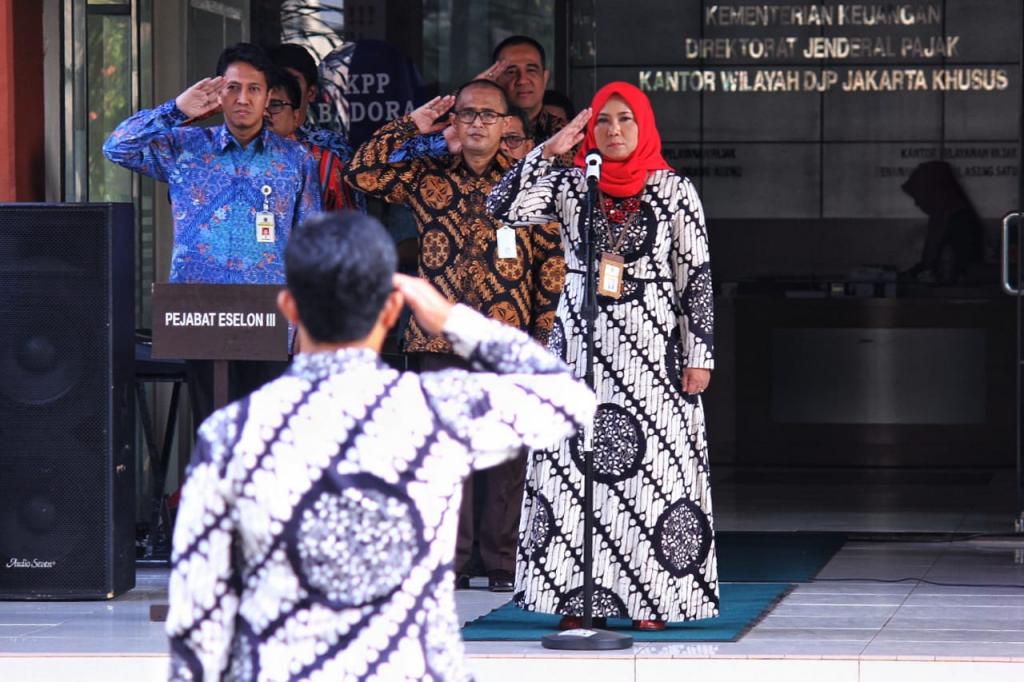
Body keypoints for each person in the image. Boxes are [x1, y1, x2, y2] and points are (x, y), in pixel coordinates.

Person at [165, 211, 595, 681]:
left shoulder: (231, 433)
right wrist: (452, 318)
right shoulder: (437, 411)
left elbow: (198, 615)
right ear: (392, 311)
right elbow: (571, 399)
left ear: (289, 307)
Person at [488, 81, 719, 631]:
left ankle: (653, 598)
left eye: (625, 120)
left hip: (654, 344)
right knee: (575, 467)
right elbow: (503, 209)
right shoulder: (571, 184)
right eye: (604, 122)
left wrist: (700, 353)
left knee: (655, 471)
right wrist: (549, 150)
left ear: (644, 126)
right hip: (581, 339)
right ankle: (576, 598)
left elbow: (698, 278)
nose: (614, 131)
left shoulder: (674, 189)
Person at [345, 80, 564, 593]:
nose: (478, 124)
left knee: (507, 459)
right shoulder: (425, 177)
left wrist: (543, 333)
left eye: (489, 115)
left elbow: (552, 263)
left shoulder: (527, 183)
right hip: (436, 339)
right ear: (455, 123)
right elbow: (362, 171)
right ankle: (452, 562)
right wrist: (410, 126)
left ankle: (503, 563)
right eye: (468, 115)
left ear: (507, 122)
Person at [103, 43, 321, 412]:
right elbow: (117, 147)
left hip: (271, 319)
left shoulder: (294, 159)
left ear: (268, 97)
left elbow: (312, 244)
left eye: (254, 89)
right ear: (219, 92)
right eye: (232, 87)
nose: (242, 98)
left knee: (266, 438)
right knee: (211, 428)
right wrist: (175, 110)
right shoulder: (185, 147)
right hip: (199, 314)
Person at [265, 69, 356, 212]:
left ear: (296, 116)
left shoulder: (325, 163)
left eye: (275, 105)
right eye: (258, 106)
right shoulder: (234, 162)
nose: (264, 113)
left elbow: (348, 228)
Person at [901, 160, 985, 284]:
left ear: (933, 193)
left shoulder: (957, 221)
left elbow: (951, 268)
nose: (917, 203)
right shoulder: (945, 216)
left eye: (920, 195)